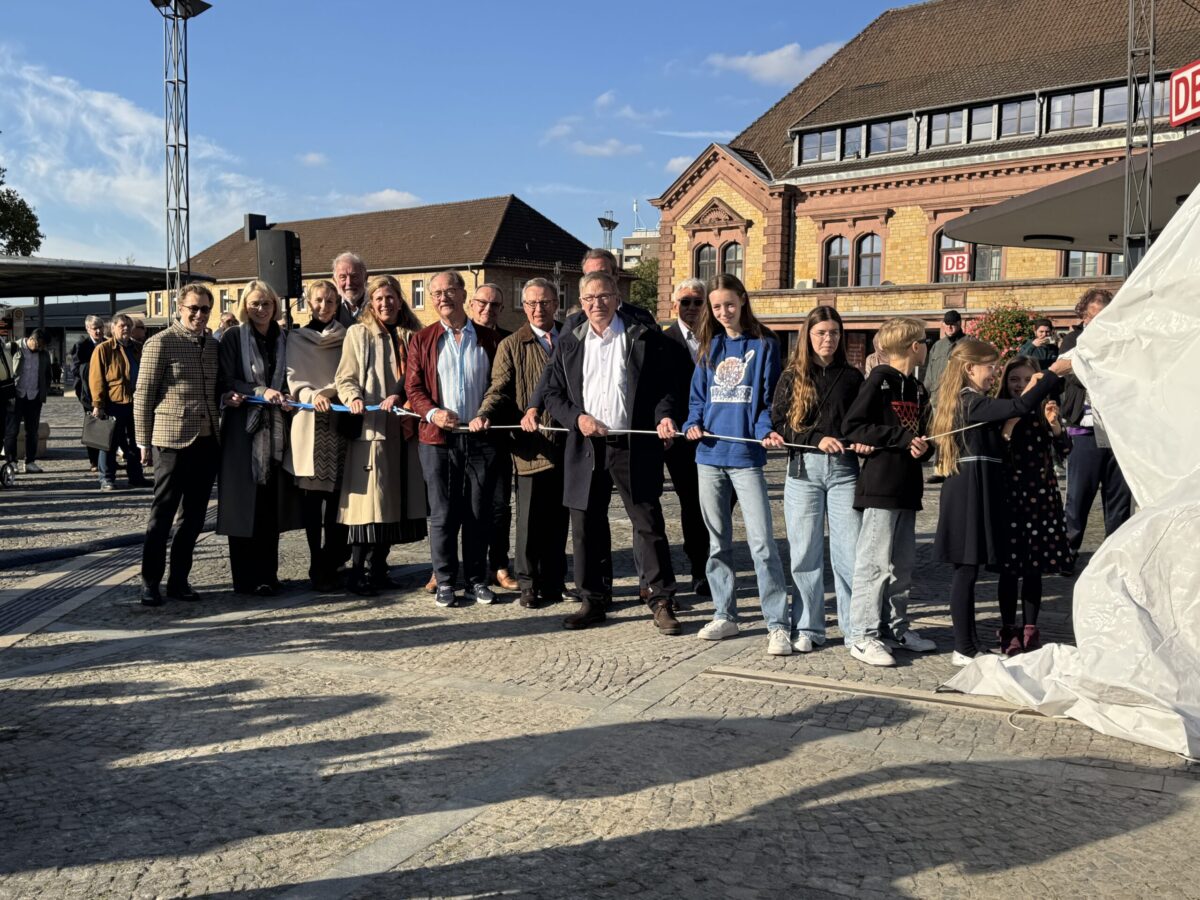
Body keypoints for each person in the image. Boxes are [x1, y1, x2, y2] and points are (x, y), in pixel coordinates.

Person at [540, 270, 681, 634]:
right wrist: (578, 419)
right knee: (586, 524)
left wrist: (664, 417)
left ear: (617, 299)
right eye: (589, 298)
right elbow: (552, 395)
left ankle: (661, 598)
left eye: (603, 297)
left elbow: (665, 389)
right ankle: (593, 598)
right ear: (581, 303)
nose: (596, 304)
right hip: (586, 445)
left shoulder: (642, 336)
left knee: (647, 522)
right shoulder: (569, 340)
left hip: (632, 445)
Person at [930, 340, 1071, 665]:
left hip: (975, 488)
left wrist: (1006, 434)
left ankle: (969, 644)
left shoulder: (971, 401)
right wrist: (1049, 375)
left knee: (970, 569)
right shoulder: (969, 401)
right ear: (970, 369)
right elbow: (1019, 407)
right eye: (991, 367)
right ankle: (963, 648)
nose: (995, 374)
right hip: (968, 491)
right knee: (965, 571)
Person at [677, 274, 790, 655]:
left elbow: (768, 399)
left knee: (762, 543)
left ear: (742, 300)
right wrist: (692, 425)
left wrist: (763, 429)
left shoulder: (765, 344)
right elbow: (696, 398)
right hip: (708, 456)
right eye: (716, 306)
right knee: (716, 543)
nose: (723, 312)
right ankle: (725, 614)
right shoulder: (709, 345)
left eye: (729, 304)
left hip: (745, 457)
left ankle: (777, 622)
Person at [841, 317, 938, 667]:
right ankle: (862, 635)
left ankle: (894, 628)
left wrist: (924, 448)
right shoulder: (880, 379)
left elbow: (922, 433)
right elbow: (854, 426)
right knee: (874, 564)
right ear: (914, 346)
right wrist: (899, 440)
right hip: (881, 486)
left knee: (902, 566)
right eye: (925, 342)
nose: (927, 347)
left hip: (908, 487)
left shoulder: (917, 388)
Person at [772, 306, 868, 652]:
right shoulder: (792, 376)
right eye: (821, 333)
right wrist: (815, 439)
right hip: (803, 472)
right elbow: (780, 423)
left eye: (834, 333)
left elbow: (861, 422)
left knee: (849, 554)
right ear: (808, 336)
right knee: (804, 554)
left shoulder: (853, 377)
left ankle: (855, 629)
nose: (828, 339)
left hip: (844, 471)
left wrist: (862, 439)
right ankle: (809, 627)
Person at [405, 270, 504, 608]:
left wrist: (486, 414)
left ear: (464, 294)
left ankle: (476, 579)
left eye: (449, 291)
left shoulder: (489, 339)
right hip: (437, 439)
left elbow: (498, 385)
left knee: (478, 512)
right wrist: (433, 413)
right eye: (436, 293)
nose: (442, 298)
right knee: (443, 514)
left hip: (480, 438)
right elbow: (413, 388)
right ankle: (446, 579)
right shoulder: (422, 339)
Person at [472, 278, 568, 609]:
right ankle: (528, 583)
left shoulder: (571, 339)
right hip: (531, 446)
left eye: (544, 303)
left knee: (560, 517)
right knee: (529, 520)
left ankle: (555, 580)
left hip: (570, 445)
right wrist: (485, 412)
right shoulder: (512, 344)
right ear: (523, 307)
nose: (538, 309)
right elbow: (498, 387)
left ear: (556, 304)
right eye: (531, 304)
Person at [336, 274, 428, 594]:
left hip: (403, 432)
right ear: (371, 304)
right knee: (368, 506)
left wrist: (403, 399)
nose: (385, 303)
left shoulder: (411, 335)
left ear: (400, 301)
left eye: (390, 298)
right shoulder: (358, 334)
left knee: (395, 504)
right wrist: (354, 398)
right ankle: (357, 571)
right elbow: (345, 377)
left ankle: (380, 568)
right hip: (371, 430)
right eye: (379, 299)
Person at [134, 284, 222, 606]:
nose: (199, 315)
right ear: (179, 308)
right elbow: (142, 396)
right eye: (193, 309)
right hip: (170, 442)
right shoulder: (160, 343)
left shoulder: (212, 345)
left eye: (204, 310)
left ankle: (179, 581)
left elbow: (217, 388)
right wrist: (143, 441)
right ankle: (149, 582)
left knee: (194, 518)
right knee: (162, 514)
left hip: (206, 440)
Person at [215, 281, 301, 595]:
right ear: (245, 307)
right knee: (243, 505)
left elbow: (293, 378)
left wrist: (290, 396)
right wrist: (260, 391)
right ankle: (244, 578)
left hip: (277, 428)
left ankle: (268, 575)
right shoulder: (233, 337)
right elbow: (226, 378)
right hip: (243, 429)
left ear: (274, 306)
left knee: (268, 507)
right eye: (255, 304)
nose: (261, 309)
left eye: (266, 304)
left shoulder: (284, 338)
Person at [993, 356, 1072, 654]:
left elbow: (1065, 451)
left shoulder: (1043, 410)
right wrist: (1008, 429)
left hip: (1041, 499)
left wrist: (1055, 427)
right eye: (1015, 379)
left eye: (1027, 380)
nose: (1020, 385)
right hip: (1011, 499)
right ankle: (1008, 630)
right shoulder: (1000, 410)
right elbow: (996, 452)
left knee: (1034, 569)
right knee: (1009, 570)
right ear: (1005, 382)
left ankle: (1030, 628)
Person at [1059, 288, 1132, 575]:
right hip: (1084, 430)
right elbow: (1069, 372)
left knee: (1118, 500)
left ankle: (1115, 556)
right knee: (1078, 497)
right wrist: (1097, 369)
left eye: (1104, 315)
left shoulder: (1121, 340)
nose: (1098, 321)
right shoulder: (1074, 340)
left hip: (1116, 430)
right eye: (1093, 316)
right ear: (1084, 316)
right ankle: (1069, 551)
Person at [285, 280, 350, 592]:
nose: (324, 306)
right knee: (313, 502)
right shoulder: (295, 338)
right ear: (308, 303)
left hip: (339, 422)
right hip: (310, 423)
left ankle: (333, 559)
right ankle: (316, 560)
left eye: (329, 301)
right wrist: (312, 394)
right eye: (318, 301)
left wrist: (335, 393)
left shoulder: (348, 336)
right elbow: (292, 377)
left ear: (337, 304)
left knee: (339, 500)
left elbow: (352, 372)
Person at [660, 278, 711, 597]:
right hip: (680, 438)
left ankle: (715, 559)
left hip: (717, 435)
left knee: (719, 503)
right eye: (685, 302)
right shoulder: (662, 340)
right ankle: (700, 568)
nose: (691, 307)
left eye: (697, 301)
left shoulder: (720, 337)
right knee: (692, 503)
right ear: (673, 305)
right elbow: (658, 387)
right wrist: (664, 419)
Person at [469, 282, 518, 591]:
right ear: (471, 305)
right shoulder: (458, 337)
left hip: (497, 435)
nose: (488, 309)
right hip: (462, 434)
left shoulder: (507, 340)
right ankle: (454, 566)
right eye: (482, 303)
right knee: (464, 507)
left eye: (495, 305)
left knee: (500, 505)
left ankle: (499, 563)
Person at [89, 314, 148, 491]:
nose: (126, 329)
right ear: (113, 328)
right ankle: (106, 478)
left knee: (136, 442)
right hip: (113, 402)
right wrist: (98, 404)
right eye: (122, 325)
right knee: (109, 443)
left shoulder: (138, 348)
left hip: (135, 402)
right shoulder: (104, 349)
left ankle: (136, 477)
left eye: (129, 326)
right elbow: (96, 378)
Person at [921, 310, 965, 484]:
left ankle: (956, 468)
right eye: (947, 324)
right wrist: (926, 392)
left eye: (953, 324)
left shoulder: (968, 344)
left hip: (959, 396)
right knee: (939, 434)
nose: (950, 327)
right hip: (937, 397)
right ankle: (939, 469)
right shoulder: (938, 346)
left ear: (960, 323)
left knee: (956, 434)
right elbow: (930, 371)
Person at [4, 329, 51, 475]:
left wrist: (44, 392)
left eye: (43, 346)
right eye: (40, 345)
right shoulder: (12, 348)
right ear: (32, 339)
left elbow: (47, 375)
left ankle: (30, 462)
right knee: (11, 431)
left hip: (34, 397)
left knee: (33, 432)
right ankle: (11, 462)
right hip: (15, 396)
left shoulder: (43, 354)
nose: (41, 348)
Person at [69, 315, 106, 472]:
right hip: (87, 393)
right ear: (87, 329)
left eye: (100, 327)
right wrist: (94, 369)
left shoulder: (107, 343)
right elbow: (75, 369)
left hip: (107, 392)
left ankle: (106, 460)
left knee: (108, 425)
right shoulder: (81, 346)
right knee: (93, 425)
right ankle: (94, 461)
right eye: (94, 328)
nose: (98, 330)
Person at [332, 251, 369, 327]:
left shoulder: (378, 306)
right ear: (335, 281)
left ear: (365, 278)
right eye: (343, 277)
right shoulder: (331, 309)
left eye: (354, 276)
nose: (349, 283)